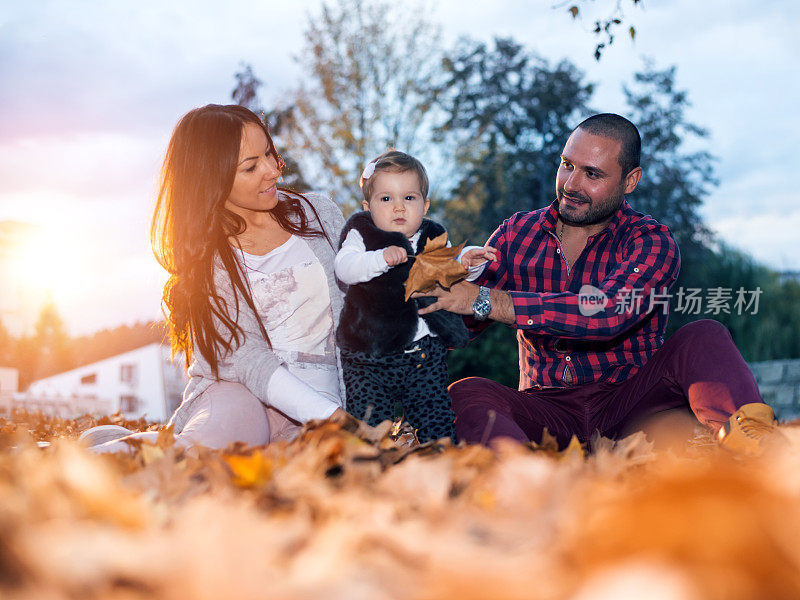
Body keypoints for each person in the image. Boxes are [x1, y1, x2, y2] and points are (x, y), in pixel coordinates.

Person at [414, 113, 777, 454]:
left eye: (592, 174)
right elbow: (452, 333)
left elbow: (606, 313)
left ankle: (759, 449)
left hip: (633, 405)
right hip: (546, 409)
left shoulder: (650, 241)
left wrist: (483, 299)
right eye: (567, 165)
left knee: (705, 334)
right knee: (466, 393)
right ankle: (525, 480)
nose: (571, 184)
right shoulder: (515, 235)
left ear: (630, 181)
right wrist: (452, 283)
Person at [81, 104, 358, 452]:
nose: (272, 171)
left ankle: (115, 441)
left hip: (321, 399)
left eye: (270, 153)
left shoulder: (317, 213)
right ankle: (83, 463)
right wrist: (330, 416)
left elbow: (364, 295)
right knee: (203, 455)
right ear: (212, 178)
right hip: (239, 393)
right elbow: (247, 359)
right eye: (251, 166)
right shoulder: (207, 260)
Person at [334, 150, 496, 441]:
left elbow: (447, 273)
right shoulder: (362, 232)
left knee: (436, 419)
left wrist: (468, 263)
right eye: (386, 199)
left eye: (409, 198)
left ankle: (440, 465)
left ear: (425, 205)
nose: (398, 207)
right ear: (367, 205)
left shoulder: (432, 236)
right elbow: (344, 268)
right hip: (368, 355)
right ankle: (369, 474)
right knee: (368, 423)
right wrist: (379, 259)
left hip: (423, 354)